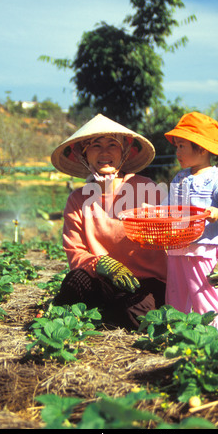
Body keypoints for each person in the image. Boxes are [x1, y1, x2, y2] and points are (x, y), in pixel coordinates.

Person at [50, 114, 168, 330]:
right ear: (83, 153)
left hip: (147, 283)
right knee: (75, 282)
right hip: (105, 281)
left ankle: (106, 314)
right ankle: (101, 313)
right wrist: (101, 263)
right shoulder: (78, 200)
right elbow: (75, 253)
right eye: (96, 145)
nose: (104, 152)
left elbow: (174, 230)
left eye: (112, 144)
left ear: (124, 151)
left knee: (131, 313)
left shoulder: (147, 190)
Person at [163, 111, 218, 336]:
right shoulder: (179, 177)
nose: (177, 152)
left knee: (205, 293)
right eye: (177, 146)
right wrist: (154, 212)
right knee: (176, 293)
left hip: (204, 248)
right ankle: (179, 334)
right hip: (178, 247)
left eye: (181, 146)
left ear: (202, 148)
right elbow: (168, 208)